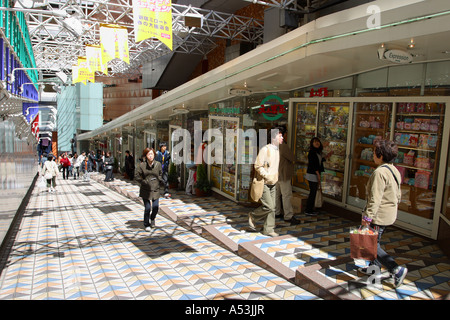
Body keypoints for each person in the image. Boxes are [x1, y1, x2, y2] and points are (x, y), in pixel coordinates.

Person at [359, 139, 408, 288]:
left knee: (370, 244)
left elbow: (375, 199)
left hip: (378, 216)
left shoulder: (380, 172)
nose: (373, 155)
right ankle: (375, 269)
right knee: (374, 242)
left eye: (374, 153)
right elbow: (398, 194)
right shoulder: (394, 169)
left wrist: (367, 219)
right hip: (388, 214)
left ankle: (396, 269)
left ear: (380, 155)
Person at [248, 127, 284, 237]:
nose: (282, 137)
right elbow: (257, 166)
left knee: (273, 207)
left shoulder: (278, 150)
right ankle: (253, 216)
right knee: (269, 206)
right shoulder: (265, 149)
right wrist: (267, 176)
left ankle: (269, 229)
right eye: (280, 135)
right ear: (273, 137)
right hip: (263, 182)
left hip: (274, 182)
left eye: (282, 135)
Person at [135, 148, 163, 231]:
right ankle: (146, 224)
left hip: (155, 188)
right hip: (145, 189)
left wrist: (159, 180)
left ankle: (152, 218)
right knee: (147, 208)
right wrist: (143, 182)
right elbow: (136, 176)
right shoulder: (142, 165)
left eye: (152, 154)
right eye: (149, 154)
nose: (151, 156)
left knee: (155, 207)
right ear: (146, 156)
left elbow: (161, 173)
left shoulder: (158, 164)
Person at [275, 126, 299, 224]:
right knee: (286, 195)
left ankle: (276, 212)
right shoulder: (283, 146)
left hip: (275, 174)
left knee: (276, 195)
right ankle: (288, 215)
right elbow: (292, 158)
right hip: (283, 174)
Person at [305, 137, 325, 216]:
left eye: (318, 142)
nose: (317, 143)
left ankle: (310, 208)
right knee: (313, 192)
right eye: (315, 142)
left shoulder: (318, 152)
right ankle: (308, 210)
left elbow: (319, 161)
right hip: (312, 175)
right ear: (312, 144)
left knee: (313, 192)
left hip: (315, 174)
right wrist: (318, 174)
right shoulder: (312, 152)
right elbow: (313, 164)